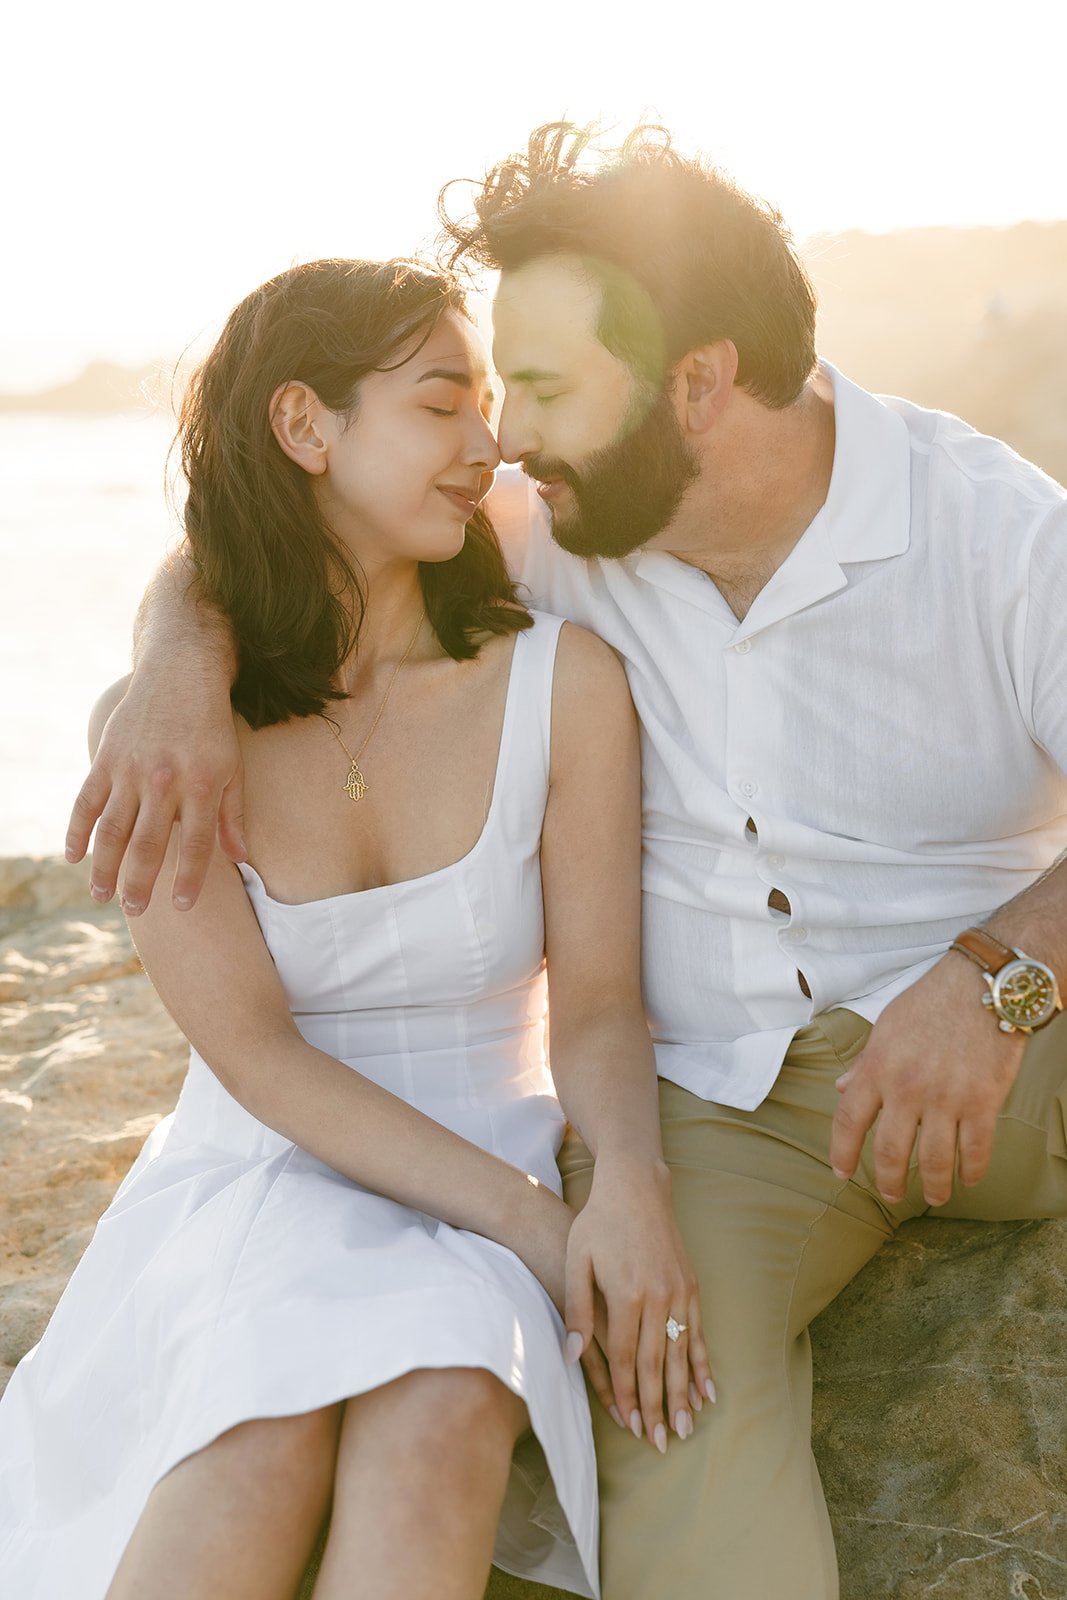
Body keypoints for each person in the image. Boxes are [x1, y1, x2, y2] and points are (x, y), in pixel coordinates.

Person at [57, 126, 1067, 1598]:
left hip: (1020, 1036)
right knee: (664, 1392)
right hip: (736, 1105)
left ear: (697, 384)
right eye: (474, 396)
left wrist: (996, 976)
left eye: (536, 390)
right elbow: (274, 534)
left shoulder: (1005, 537)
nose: (503, 439)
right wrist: (172, 666)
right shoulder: (559, 538)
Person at [0, 255, 715, 1600]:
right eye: (443, 404)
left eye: (490, 406)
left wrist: (622, 1180)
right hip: (257, 1175)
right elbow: (257, 1060)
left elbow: (604, 1001)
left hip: (478, 1157)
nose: (486, 443)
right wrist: (536, 1228)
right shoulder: (166, 740)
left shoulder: (563, 685)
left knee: (444, 1423)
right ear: (306, 426)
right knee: (251, 1448)